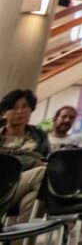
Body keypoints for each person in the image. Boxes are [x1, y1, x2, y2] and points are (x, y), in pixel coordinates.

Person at [0, 90, 49, 225]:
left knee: (34, 200)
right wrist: (32, 161)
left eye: (25, 106)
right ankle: (64, 213)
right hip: (2, 185)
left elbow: (45, 159)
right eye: (14, 107)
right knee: (42, 172)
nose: (20, 111)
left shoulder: (39, 135)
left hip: (23, 186)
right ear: (4, 112)